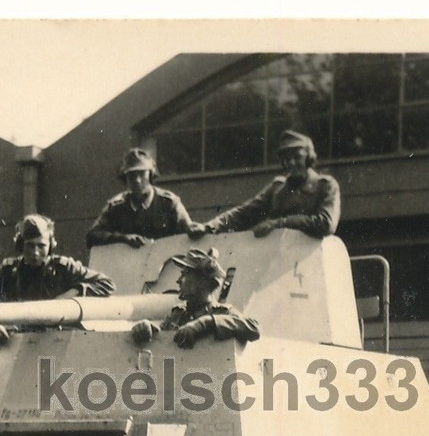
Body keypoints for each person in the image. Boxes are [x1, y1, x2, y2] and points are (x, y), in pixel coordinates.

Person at [0, 214, 115, 348]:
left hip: (60, 343)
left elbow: (106, 284)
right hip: (21, 344)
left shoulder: (64, 268)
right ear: (20, 245)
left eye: (41, 246)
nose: (35, 252)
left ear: (51, 246)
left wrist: (73, 293)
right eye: (30, 245)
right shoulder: (8, 271)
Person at [188, 130, 341, 240]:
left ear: (309, 158)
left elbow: (326, 223)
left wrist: (278, 223)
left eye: (297, 157)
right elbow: (244, 213)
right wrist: (209, 227)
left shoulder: (325, 186)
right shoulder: (277, 188)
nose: (291, 163)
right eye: (286, 159)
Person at [131, 247, 260, 349]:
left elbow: (253, 328)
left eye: (185, 275)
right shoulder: (178, 315)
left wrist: (206, 323)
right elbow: (162, 332)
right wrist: (148, 327)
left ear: (203, 282)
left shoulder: (222, 312)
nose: (178, 281)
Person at [86, 148, 194, 248]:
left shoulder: (168, 203)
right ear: (125, 178)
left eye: (142, 174)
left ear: (151, 175)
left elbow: (190, 232)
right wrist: (122, 238)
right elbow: (92, 236)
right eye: (132, 175)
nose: (137, 180)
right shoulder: (116, 207)